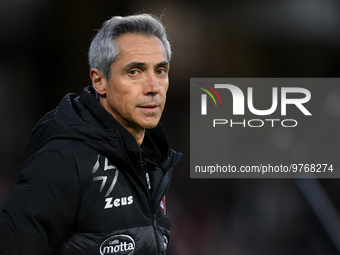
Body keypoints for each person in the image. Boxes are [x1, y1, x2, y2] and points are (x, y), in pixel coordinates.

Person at [0, 14, 181, 255]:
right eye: (134, 72)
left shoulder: (152, 159)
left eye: (160, 70)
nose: (153, 87)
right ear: (99, 81)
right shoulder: (61, 162)